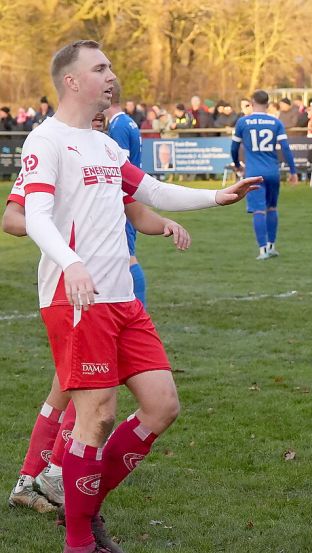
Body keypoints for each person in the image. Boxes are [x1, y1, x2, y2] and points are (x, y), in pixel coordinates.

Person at [20, 40, 258, 553]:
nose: (111, 75)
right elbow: (33, 216)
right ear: (72, 81)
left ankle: (78, 508)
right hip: (76, 299)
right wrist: (72, 262)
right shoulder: (46, 140)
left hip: (122, 299)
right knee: (97, 415)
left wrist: (217, 197)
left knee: (162, 406)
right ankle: (80, 541)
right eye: (100, 68)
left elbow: (149, 190)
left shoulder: (106, 145)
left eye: (110, 65)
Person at [4, 112, 192, 517]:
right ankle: (39, 475)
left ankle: (48, 473)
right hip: (75, 288)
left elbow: (137, 207)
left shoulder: (105, 158)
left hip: (117, 280)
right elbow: (13, 218)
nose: (100, 126)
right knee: (76, 391)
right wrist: (50, 226)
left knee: (82, 390)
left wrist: (165, 225)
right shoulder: (54, 153)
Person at [232, 90, 299, 259]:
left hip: (254, 172)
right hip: (272, 172)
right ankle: (272, 246)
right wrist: (293, 171)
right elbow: (285, 148)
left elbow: (234, 148)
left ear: (252, 103)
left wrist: (238, 165)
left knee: (258, 211)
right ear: (268, 105)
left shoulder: (243, 122)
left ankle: (262, 250)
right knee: (272, 208)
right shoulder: (275, 122)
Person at [105, 79, 150, 305]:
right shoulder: (127, 122)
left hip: (125, 197)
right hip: (130, 195)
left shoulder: (119, 125)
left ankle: (138, 310)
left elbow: (118, 166)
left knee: (128, 256)